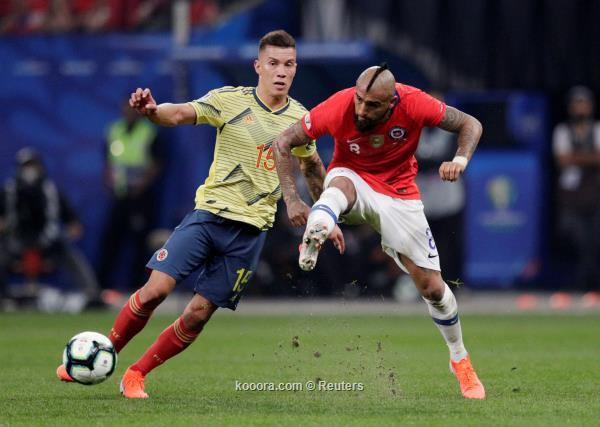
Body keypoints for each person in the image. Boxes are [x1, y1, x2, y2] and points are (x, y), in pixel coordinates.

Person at [56, 29, 341, 398]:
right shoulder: (229, 100)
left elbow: (312, 167)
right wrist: (152, 111)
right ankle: (104, 353)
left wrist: (327, 216)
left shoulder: (301, 119)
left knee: (197, 314)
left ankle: (137, 374)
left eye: (289, 64)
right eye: (273, 63)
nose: (281, 71)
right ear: (258, 66)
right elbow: (178, 114)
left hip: (250, 234)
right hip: (209, 217)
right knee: (155, 290)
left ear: (295, 68)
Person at [273, 64, 486, 399]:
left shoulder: (415, 102)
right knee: (338, 183)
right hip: (353, 180)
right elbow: (282, 141)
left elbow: (470, 124)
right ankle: (319, 226)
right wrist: (291, 199)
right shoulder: (339, 105)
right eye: (359, 100)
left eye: (372, 105)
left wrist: (460, 160)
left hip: (399, 195)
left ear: (392, 102)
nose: (361, 110)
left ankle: (459, 358)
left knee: (432, 288)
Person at [0, 148, 100, 307]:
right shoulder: (8, 191)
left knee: (71, 256)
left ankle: (92, 294)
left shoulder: (52, 190)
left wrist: (68, 233)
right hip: (16, 243)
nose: (30, 170)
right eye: (26, 166)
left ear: (40, 167)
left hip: (48, 244)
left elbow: (74, 224)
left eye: (33, 165)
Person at [96, 99, 165, 293]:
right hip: (120, 196)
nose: (129, 113)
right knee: (110, 240)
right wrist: (110, 180)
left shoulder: (148, 132)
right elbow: (109, 162)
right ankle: (102, 287)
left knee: (140, 242)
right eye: (126, 109)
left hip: (141, 198)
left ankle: (137, 287)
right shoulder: (114, 130)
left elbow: (156, 164)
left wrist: (141, 185)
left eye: (133, 109)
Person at [552, 86, 600, 293]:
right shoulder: (563, 131)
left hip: (595, 194)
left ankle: (592, 283)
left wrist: (576, 158)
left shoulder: (597, 129)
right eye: (577, 104)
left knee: (595, 239)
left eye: (584, 103)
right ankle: (581, 282)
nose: (580, 108)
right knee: (575, 237)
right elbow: (562, 160)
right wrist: (589, 157)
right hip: (572, 197)